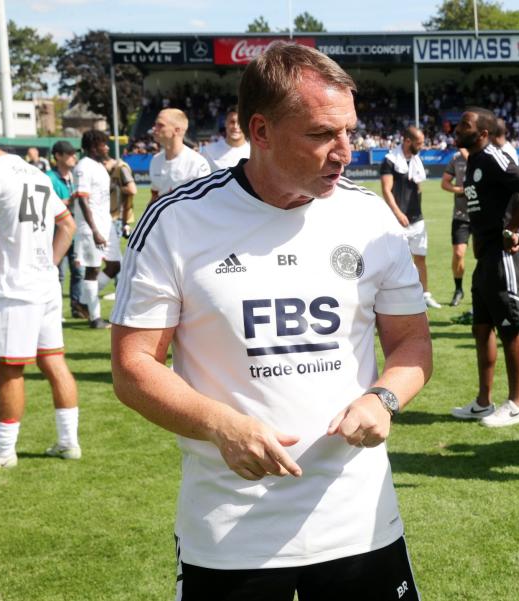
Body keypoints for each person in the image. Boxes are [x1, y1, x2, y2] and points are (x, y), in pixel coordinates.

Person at [110, 42, 430, 600]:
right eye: (321, 134)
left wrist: (384, 399)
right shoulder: (177, 221)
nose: (344, 151)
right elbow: (133, 365)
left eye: (349, 132)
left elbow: (412, 345)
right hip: (232, 536)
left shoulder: (369, 217)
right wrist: (220, 424)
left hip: (360, 522)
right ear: (260, 131)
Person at [450, 107, 519, 428]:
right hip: (485, 256)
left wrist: (512, 230)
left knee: (509, 329)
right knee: (481, 328)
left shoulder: (493, 157)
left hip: (505, 256)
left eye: (466, 124)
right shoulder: (472, 161)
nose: (458, 128)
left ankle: (516, 404)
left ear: (484, 134)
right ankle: (483, 402)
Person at [0, 145, 79, 470]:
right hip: (44, 284)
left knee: (7, 368)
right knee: (53, 360)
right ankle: (68, 442)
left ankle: (3, 450)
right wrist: (51, 264)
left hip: (14, 288)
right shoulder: (36, 173)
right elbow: (67, 224)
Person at [380, 126, 441, 309]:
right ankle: (395, 298)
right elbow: (386, 190)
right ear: (407, 141)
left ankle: (425, 295)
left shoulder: (416, 160)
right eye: (419, 143)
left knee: (420, 258)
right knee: (396, 261)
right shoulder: (390, 160)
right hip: (397, 220)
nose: (422, 146)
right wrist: (398, 214)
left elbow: (418, 187)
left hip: (417, 218)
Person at [71, 130, 116, 329]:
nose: (106, 147)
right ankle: (95, 318)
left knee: (115, 266)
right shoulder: (83, 167)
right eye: (102, 144)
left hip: (106, 224)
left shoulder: (99, 165)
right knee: (93, 269)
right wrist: (95, 230)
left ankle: (83, 300)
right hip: (91, 228)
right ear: (92, 146)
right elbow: (82, 199)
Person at [47, 141, 85, 318]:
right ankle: (55, 311)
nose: (74, 157)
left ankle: (77, 307)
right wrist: (69, 201)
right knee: (58, 273)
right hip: (57, 232)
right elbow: (45, 202)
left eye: (74, 153)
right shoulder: (48, 177)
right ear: (58, 156)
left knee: (78, 272)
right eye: (69, 154)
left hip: (76, 231)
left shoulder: (77, 176)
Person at [148, 108, 211, 203]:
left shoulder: (197, 163)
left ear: (177, 130)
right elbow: (155, 196)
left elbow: (205, 202)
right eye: (155, 124)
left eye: (160, 125)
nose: (154, 128)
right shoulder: (155, 160)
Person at [99, 154, 137, 301]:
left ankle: (120, 289)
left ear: (106, 161)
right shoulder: (117, 169)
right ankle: (120, 288)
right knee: (116, 257)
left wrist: (116, 186)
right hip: (115, 217)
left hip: (117, 217)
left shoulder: (121, 169)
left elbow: (132, 189)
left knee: (115, 257)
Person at [441, 147, 471, 306]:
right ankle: (458, 289)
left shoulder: (483, 155)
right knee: (459, 254)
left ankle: (481, 291)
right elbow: (444, 182)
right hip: (461, 215)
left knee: (484, 256)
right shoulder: (455, 158)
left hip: (481, 214)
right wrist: (458, 189)